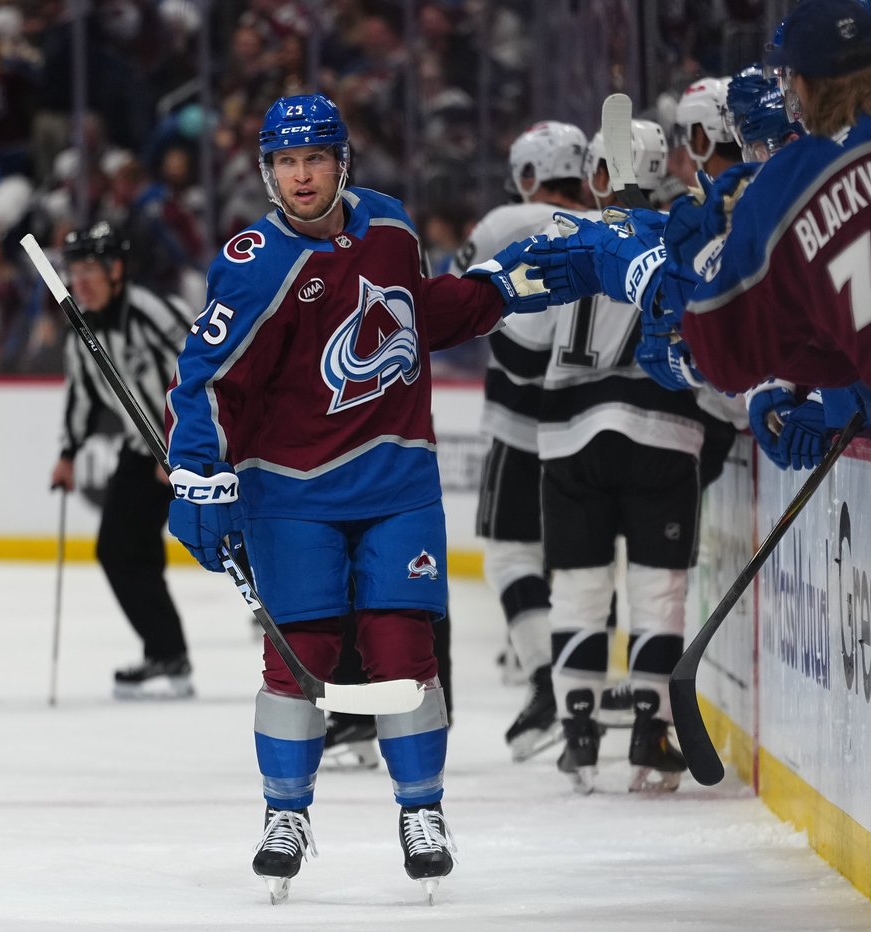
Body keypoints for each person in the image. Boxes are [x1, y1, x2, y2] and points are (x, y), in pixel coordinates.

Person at [163, 93, 549, 905]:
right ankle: (285, 815)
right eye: (286, 162)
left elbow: (417, 313)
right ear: (267, 173)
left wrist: (496, 291)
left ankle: (423, 811)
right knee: (299, 656)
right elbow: (204, 379)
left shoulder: (392, 227)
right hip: (289, 491)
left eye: (315, 159)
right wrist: (198, 472)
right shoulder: (253, 262)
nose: (302, 176)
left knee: (403, 647)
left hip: (397, 481)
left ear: (343, 163)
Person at [523, 0, 871, 510]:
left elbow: (725, 352)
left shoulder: (791, 186)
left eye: (792, 82)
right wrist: (793, 385)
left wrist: (693, 279)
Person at [508, 117, 735, 793]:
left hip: (568, 439)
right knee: (657, 590)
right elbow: (715, 352)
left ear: (597, 173)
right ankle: (650, 733)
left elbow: (517, 349)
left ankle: (578, 733)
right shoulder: (686, 236)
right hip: (663, 434)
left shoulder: (561, 232)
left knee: (579, 588)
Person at [450, 121, 590, 758]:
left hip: (521, 417)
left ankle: (547, 683)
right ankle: (588, 688)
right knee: (587, 563)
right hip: (592, 416)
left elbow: (452, 297)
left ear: (529, 174)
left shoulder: (505, 221)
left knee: (511, 555)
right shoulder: (613, 222)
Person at [48, 221, 194, 699]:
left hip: (199, 447)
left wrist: (182, 445)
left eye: (90, 269)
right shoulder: (81, 331)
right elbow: (82, 397)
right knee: (119, 549)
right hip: (142, 451)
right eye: (74, 272)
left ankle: (305, 633)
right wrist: (68, 453)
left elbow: (201, 373)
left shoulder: (151, 311)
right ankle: (166, 652)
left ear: (115, 269)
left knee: (243, 542)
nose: (80, 281)